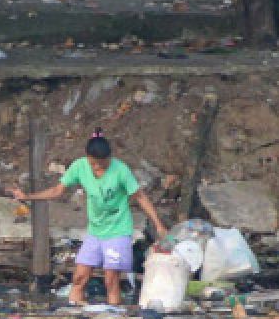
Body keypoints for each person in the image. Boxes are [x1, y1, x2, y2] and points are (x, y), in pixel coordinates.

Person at [11, 129, 168, 306]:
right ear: (87, 158)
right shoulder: (79, 167)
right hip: (95, 232)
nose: (98, 168)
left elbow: (140, 197)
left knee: (111, 281)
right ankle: (75, 313)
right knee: (79, 277)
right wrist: (28, 197)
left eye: (103, 164)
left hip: (118, 231)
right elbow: (58, 191)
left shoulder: (121, 170)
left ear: (110, 158)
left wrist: (158, 224)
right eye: (94, 164)